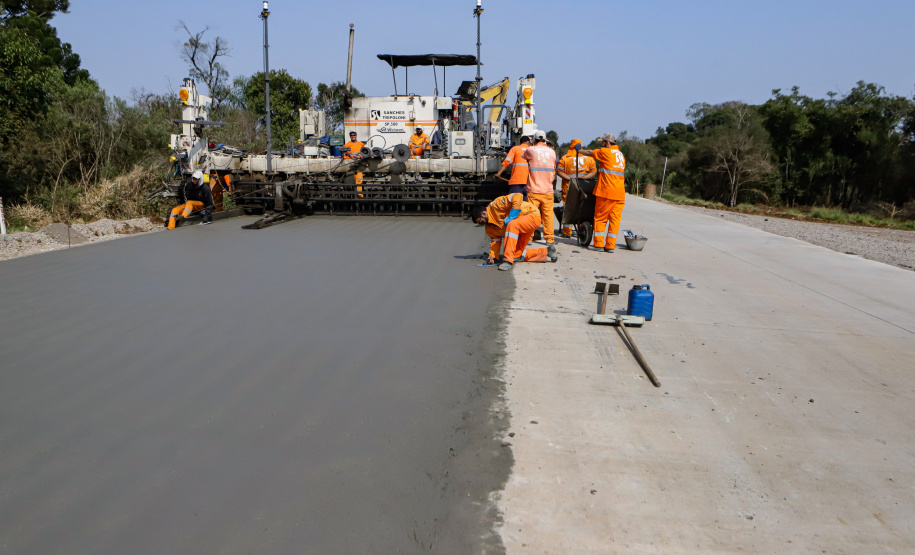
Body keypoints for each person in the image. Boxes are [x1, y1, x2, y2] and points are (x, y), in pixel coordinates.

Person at [473, 192, 556, 271]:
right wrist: (493, 256)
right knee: (516, 255)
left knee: (512, 224)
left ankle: (508, 261)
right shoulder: (489, 228)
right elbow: (496, 241)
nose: (481, 224)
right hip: (520, 228)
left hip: (531, 215)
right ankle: (547, 251)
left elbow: (518, 196)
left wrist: (513, 214)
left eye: (480, 221)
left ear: (483, 214)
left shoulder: (496, 205)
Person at [577, 133, 626, 252]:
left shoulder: (606, 152)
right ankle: (610, 246)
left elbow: (590, 153)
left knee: (600, 217)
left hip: (606, 191)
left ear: (607, 143)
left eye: (602, 142)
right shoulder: (620, 155)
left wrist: (579, 150)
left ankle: (598, 244)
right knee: (614, 220)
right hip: (619, 193)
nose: (601, 145)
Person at [522, 130, 558, 255]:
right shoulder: (552, 152)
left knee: (531, 215)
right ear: (545, 140)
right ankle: (550, 240)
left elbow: (524, 157)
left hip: (534, 190)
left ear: (535, 140)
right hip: (548, 190)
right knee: (548, 216)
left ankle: (529, 238)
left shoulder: (531, 150)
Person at [555, 138, 597, 237]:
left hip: (569, 186)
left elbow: (559, 171)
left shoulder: (565, 158)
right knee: (583, 208)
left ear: (571, 146)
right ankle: (582, 229)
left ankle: (567, 232)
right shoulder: (589, 158)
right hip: (584, 186)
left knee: (568, 207)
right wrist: (583, 178)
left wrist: (570, 179)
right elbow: (594, 171)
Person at [343, 131, 365, 196]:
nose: (353, 136)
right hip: (351, 164)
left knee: (359, 178)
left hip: (359, 163)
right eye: (351, 135)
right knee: (350, 179)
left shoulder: (361, 144)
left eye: (354, 135)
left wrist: (360, 156)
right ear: (350, 136)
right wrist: (350, 157)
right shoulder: (347, 145)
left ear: (356, 135)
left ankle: (359, 194)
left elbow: (364, 152)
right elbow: (344, 154)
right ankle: (351, 194)